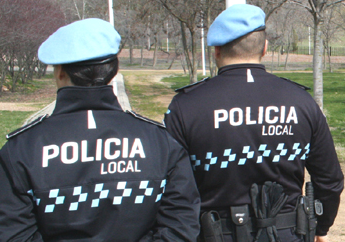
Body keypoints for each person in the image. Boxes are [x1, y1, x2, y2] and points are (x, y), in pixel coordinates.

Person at [0, 18, 200, 241]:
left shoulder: (20, 150)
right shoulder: (160, 142)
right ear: (114, 71)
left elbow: (14, 233)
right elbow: (181, 225)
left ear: (59, 73)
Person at [164, 4, 343, 242]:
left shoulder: (186, 105)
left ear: (216, 50)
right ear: (265, 48)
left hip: (213, 234)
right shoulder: (301, 101)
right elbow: (329, 180)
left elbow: (171, 188)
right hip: (287, 234)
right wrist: (320, 228)